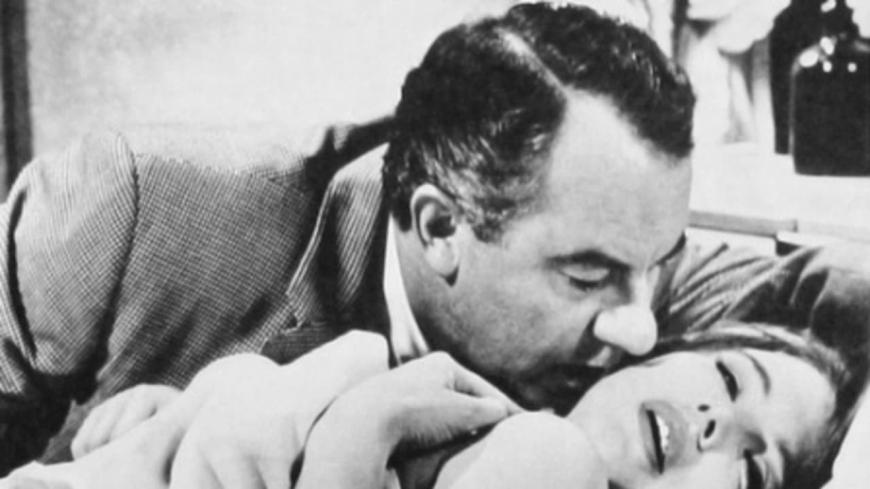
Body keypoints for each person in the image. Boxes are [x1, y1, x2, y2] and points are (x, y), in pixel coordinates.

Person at [2, 0, 869, 477]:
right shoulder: (129, 211)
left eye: (658, 267)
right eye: (588, 275)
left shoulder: (631, 280)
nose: (640, 328)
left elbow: (834, 290)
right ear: (441, 227)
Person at [293, 324, 861, 489]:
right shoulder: (411, 383)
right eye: (730, 379)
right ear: (662, 352)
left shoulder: (551, 456)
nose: (717, 423)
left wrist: (356, 437)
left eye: (753, 476)